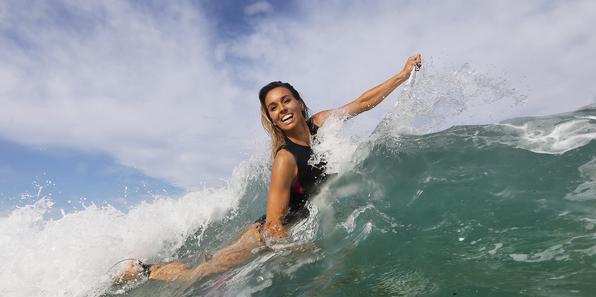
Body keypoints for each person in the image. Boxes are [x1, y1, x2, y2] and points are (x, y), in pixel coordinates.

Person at [117, 54, 422, 284]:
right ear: (273, 119)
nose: (282, 109)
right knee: (201, 274)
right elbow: (275, 224)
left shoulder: (321, 123)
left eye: (285, 101)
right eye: (274, 108)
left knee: (207, 265)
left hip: (291, 223)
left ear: (300, 104)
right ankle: (143, 270)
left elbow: (363, 102)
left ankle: (146, 267)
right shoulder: (285, 159)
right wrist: (299, 250)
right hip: (264, 234)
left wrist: (402, 74)